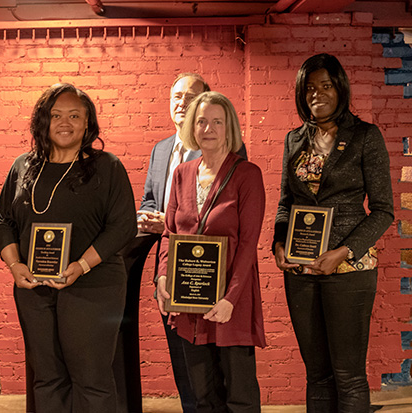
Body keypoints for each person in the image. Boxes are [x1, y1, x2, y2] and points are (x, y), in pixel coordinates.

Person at [0, 83, 136, 412]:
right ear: (43, 121)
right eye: (56, 115)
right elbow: (2, 221)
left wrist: (81, 266)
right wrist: (16, 266)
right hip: (35, 289)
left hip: (93, 287)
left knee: (92, 378)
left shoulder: (107, 167)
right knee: (46, 377)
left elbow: (122, 226)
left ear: (88, 123)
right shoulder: (23, 167)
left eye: (74, 115)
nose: (65, 122)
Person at [273, 53, 394, 412]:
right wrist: (279, 242)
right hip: (301, 271)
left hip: (349, 271)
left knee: (349, 374)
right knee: (317, 375)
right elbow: (285, 203)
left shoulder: (365, 137)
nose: (317, 94)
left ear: (340, 88)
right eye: (309, 88)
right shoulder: (294, 140)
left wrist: (342, 252)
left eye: (325, 86)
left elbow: (384, 211)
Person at [156, 91, 266, 412]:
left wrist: (230, 298)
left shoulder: (248, 175)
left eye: (217, 121)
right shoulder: (181, 174)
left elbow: (248, 245)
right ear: (191, 126)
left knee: (239, 397)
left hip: (232, 301)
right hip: (190, 301)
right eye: (201, 121)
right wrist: (164, 276)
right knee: (203, 398)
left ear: (229, 128)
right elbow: (169, 233)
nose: (209, 128)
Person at [117, 73, 210, 413]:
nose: (181, 102)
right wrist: (147, 215)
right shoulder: (160, 149)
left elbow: (217, 209)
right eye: (176, 97)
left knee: (204, 358)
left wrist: (168, 221)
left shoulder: (217, 146)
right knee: (179, 352)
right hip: (165, 262)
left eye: (190, 96)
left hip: (201, 263)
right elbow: (150, 200)